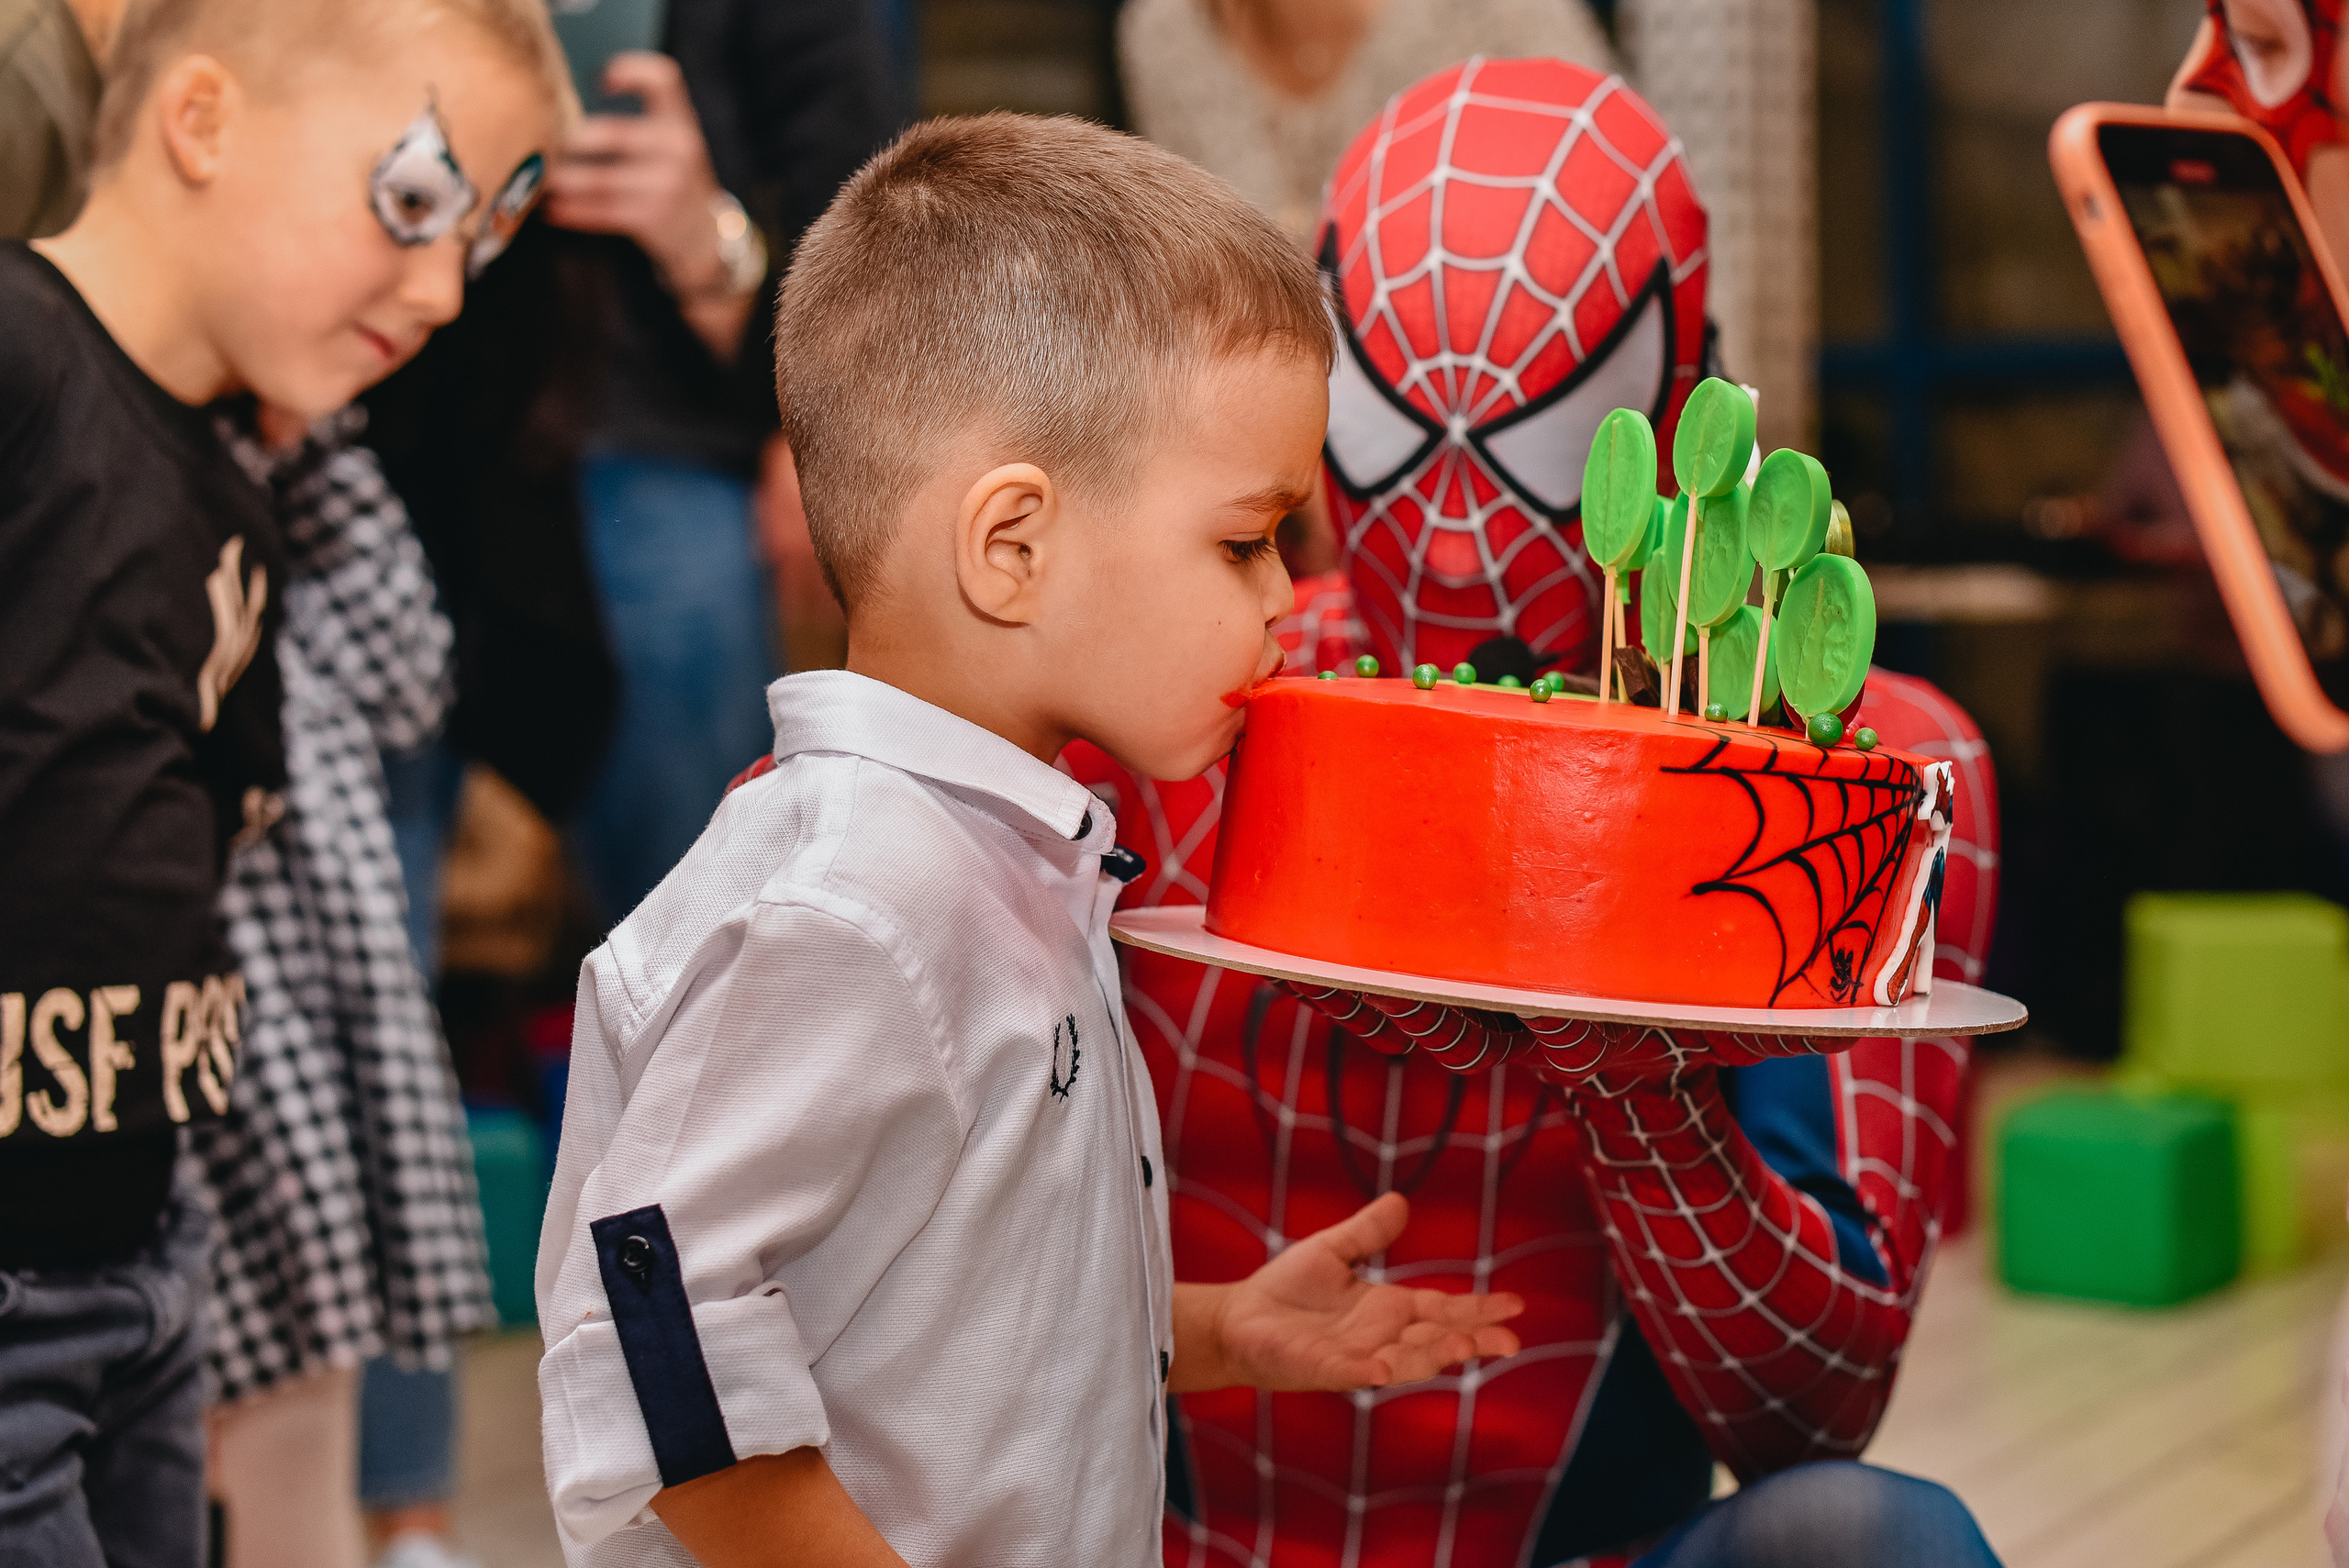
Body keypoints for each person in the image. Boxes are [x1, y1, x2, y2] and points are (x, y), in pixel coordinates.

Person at [534, 114, 1527, 1568]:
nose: (1284, 600)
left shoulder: (988, 859)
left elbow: (931, 1331)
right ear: (1013, 547)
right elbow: (655, 1340)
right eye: (1247, 539)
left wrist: (1211, 1328)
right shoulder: (855, 904)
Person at [1064, 60, 2006, 1566]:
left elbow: (1812, 1421)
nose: (1452, 543)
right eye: (1396, 428)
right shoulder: (1175, 698)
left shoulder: (1836, 761)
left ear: (1678, 409)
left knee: (1865, 1541)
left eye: (1548, 439)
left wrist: (1638, 1080)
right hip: (1158, 1539)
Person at [0, 0, 538, 1554]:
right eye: (414, 203)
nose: (442, 289)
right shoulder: (23, 358)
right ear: (204, 121)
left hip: (141, 1248)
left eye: (478, 243)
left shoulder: (241, 478)